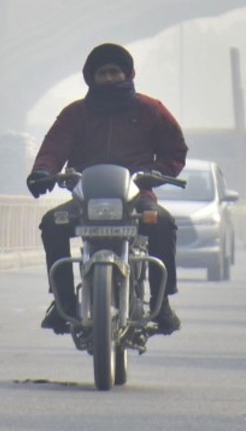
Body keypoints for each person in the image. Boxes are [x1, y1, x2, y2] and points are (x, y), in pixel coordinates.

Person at [27, 42, 189, 335]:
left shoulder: (151, 110)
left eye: (115, 72)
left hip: (136, 197)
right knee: (52, 223)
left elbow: (175, 149)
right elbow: (53, 148)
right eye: (103, 73)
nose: (110, 78)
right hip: (84, 199)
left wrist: (158, 173)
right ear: (92, 77)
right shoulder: (75, 114)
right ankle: (62, 301)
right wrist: (43, 172)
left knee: (162, 224)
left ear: (127, 74)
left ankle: (162, 302)